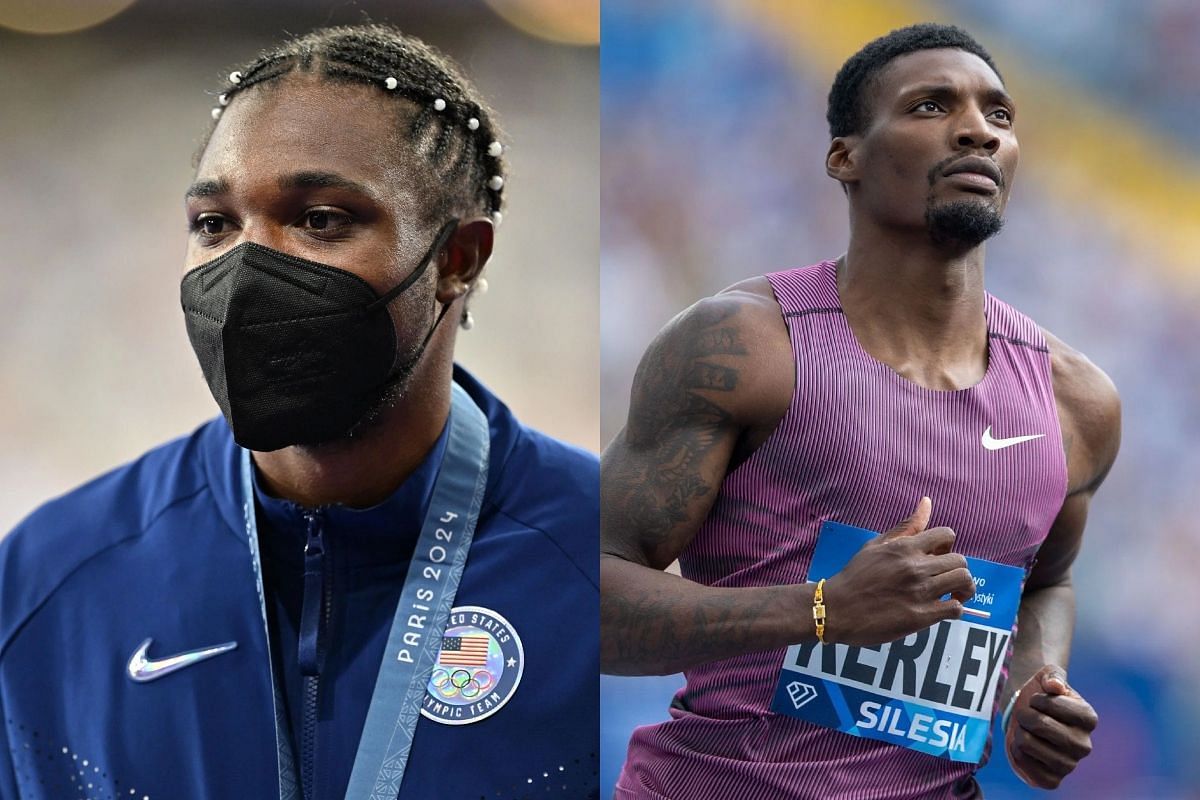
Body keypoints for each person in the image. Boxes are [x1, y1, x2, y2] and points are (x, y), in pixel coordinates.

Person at [0, 24, 598, 800]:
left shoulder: (600, 569)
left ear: (458, 259)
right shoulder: (50, 584)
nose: (248, 269)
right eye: (215, 225)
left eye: (319, 219)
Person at [602, 23, 1118, 799]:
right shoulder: (743, 349)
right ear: (845, 156)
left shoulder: (1076, 402)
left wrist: (1030, 689)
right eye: (930, 106)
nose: (978, 129)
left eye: (1000, 116)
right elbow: (590, 595)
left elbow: (1047, 580)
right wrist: (820, 610)